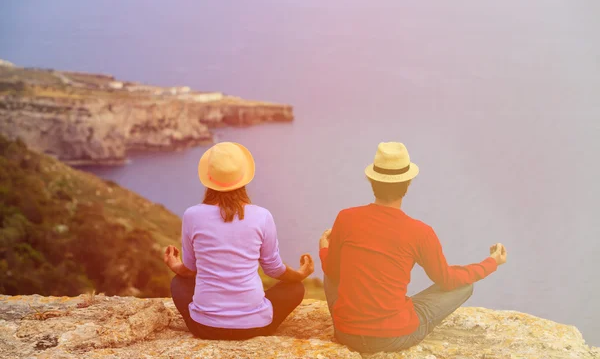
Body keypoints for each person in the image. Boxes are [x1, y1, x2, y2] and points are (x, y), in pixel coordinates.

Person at [319, 142, 507, 353]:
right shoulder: (420, 232)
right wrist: (491, 263)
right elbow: (447, 279)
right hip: (393, 338)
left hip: (347, 333)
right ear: (407, 184)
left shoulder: (346, 218)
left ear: (372, 180)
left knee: (331, 269)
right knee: (465, 285)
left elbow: (333, 272)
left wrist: (325, 249)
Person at [164, 142, 314, 340]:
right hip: (256, 327)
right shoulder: (262, 216)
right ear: (243, 178)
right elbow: (273, 270)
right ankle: (253, 314)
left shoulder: (192, 215)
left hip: (204, 328)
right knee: (295, 288)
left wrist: (174, 264)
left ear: (208, 178)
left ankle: (208, 314)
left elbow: (190, 270)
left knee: (178, 283)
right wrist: (300, 274)